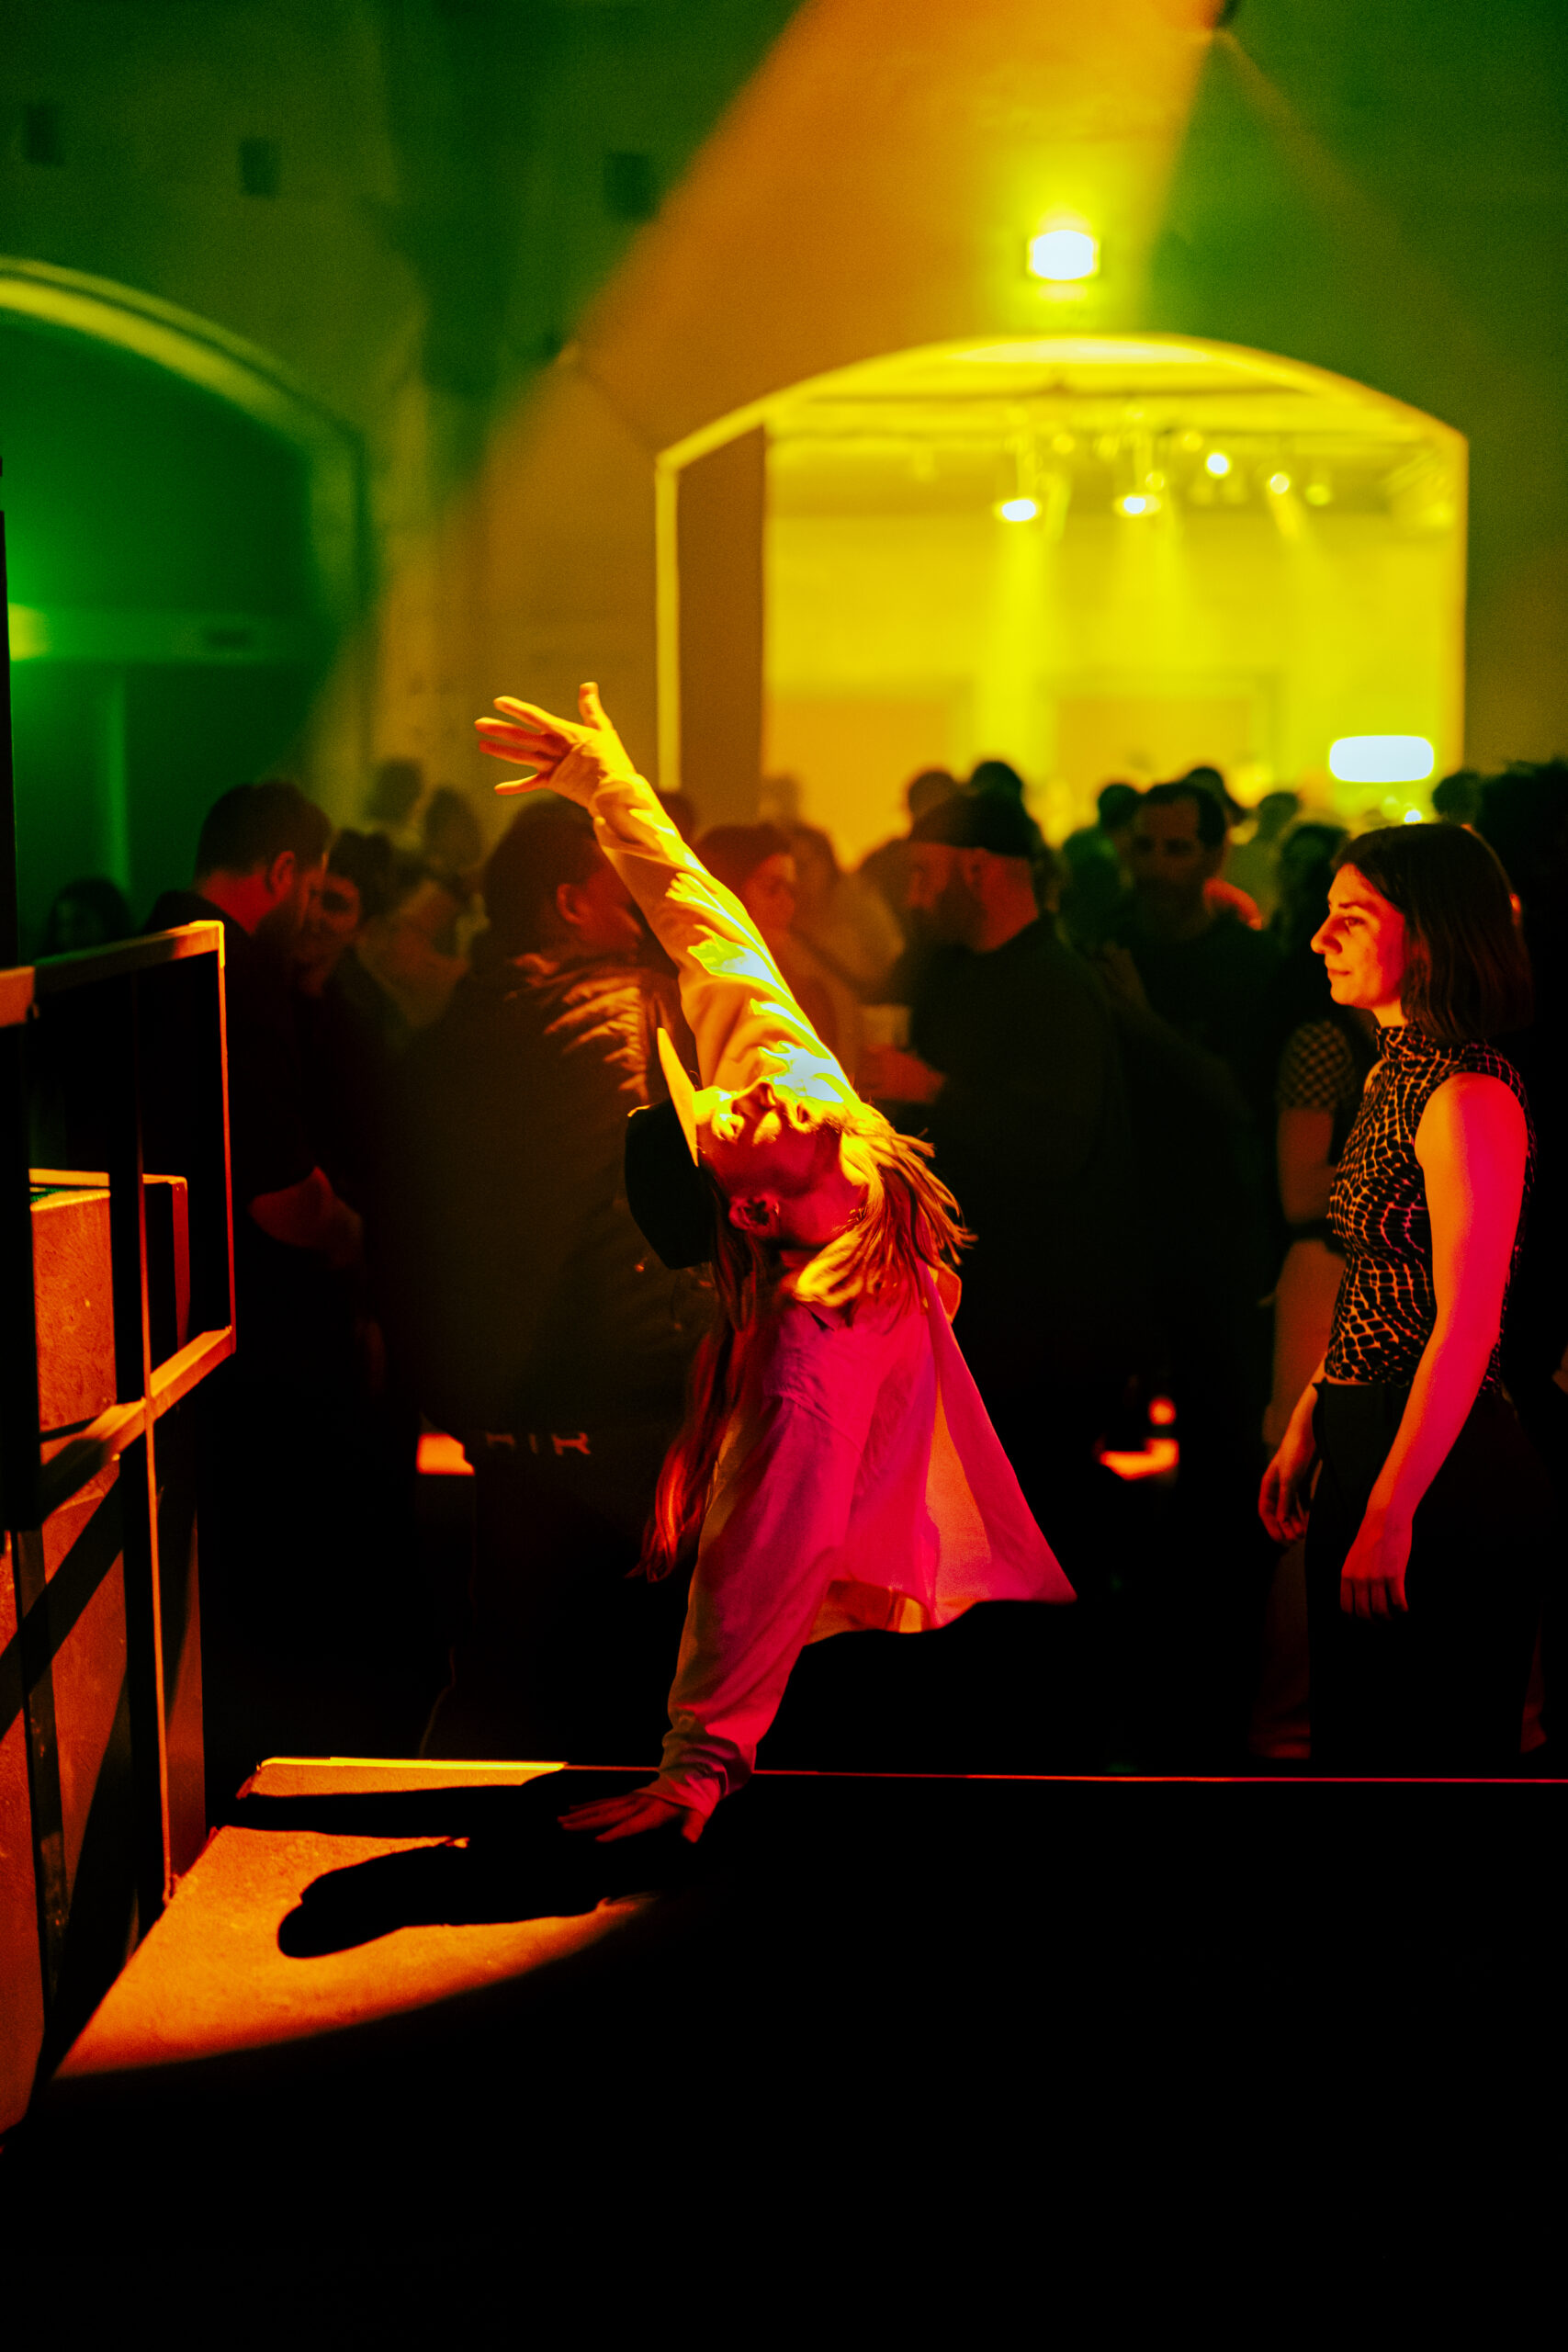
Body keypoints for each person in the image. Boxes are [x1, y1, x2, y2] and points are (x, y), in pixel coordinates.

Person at [474, 685, 1074, 1840]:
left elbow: (711, 934)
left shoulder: (811, 1109)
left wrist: (609, 787)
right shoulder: (807, 1345)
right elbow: (755, 1555)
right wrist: (696, 1761)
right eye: (729, 1124)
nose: (745, 1093)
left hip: (919, 1607)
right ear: (754, 1205)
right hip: (858, 1650)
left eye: (728, 1095)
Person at [387, 794, 701, 1760]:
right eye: (622, 887)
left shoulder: (453, 1030)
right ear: (570, 903)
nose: (641, 908)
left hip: (502, 1423)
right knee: (637, 1695)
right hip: (628, 1420)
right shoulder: (640, 1015)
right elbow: (673, 1230)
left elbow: (418, 1219)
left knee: (516, 1674)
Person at [1258, 823, 1548, 1774]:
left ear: (1425, 933)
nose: (1319, 938)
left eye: (1352, 915)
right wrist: (1313, 1411)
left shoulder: (1467, 1092)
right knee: (1358, 1743)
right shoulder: (1392, 1070)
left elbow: (1467, 1322)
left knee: (1428, 1751)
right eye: (1326, 913)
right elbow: (1381, 1283)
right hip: (1372, 1431)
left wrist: (1392, 1508)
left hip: (1440, 1460)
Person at [859, 787, 1145, 1574]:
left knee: (1030, 1525)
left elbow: (1056, 1142)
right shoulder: (935, 969)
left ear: (979, 870)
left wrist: (933, 1090)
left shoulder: (1057, 984)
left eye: (924, 874)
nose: (912, 896)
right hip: (961, 1306)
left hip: (1044, 1324)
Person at [1108, 776, 1279, 1125]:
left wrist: (1143, 1023)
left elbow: (1247, 1101)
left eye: (1177, 849)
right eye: (1144, 846)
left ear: (1214, 857)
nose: (1156, 867)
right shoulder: (1105, 945)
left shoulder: (1252, 962)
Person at [696, 822, 858, 1069]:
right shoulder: (693, 993)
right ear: (728, 891)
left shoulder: (804, 988)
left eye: (791, 891)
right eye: (771, 888)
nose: (787, 904)